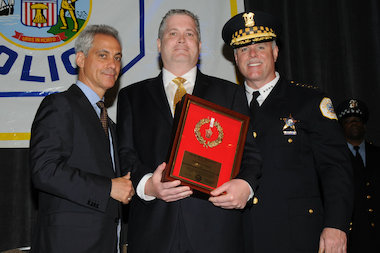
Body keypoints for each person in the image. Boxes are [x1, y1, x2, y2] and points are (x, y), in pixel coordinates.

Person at [117, 9, 261, 253]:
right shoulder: (132, 96)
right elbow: (125, 154)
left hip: (216, 231)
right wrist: (148, 186)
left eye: (189, 34)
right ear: (159, 44)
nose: (182, 39)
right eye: (173, 33)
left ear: (200, 45)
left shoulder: (230, 93)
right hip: (154, 231)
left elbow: (250, 155)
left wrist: (245, 186)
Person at [222, 10, 353, 253]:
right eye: (243, 49)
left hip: (298, 235)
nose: (252, 55)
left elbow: (336, 168)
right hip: (240, 236)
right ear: (235, 58)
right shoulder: (225, 108)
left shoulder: (310, 101)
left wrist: (337, 225)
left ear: (275, 51)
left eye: (261, 47)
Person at [30, 24, 134, 253]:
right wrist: (108, 188)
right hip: (67, 244)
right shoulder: (60, 105)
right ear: (80, 59)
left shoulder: (110, 125)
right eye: (103, 55)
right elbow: (44, 171)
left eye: (117, 58)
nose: (112, 65)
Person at [336, 99, 380, 252]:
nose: (353, 124)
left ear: (365, 126)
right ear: (341, 128)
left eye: (357, 120)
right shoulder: (334, 159)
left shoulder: (377, 154)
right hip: (351, 236)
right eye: (348, 121)